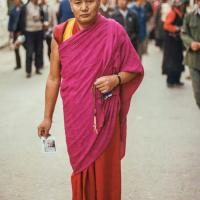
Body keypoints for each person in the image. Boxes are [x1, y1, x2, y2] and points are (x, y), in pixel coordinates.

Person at [37, 0, 144, 198]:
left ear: (99, 2)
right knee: (80, 166)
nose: (84, 8)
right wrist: (47, 117)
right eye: (78, 3)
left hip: (105, 116)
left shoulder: (114, 31)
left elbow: (134, 69)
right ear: (70, 4)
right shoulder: (62, 33)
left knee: (105, 173)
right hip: (75, 116)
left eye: (90, 2)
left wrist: (116, 79)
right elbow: (53, 78)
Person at [17, 0, 44, 78]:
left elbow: (42, 17)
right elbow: (21, 20)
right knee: (29, 52)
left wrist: (41, 20)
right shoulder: (25, 7)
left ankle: (37, 68)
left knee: (39, 51)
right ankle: (28, 71)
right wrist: (20, 31)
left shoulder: (39, 6)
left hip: (39, 31)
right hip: (29, 32)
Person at [162, 0, 186, 87]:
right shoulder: (172, 13)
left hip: (177, 41)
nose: (182, 6)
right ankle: (170, 80)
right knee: (171, 61)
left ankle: (176, 80)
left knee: (178, 60)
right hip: (171, 42)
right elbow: (166, 25)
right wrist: (177, 28)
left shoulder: (179, 13)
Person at [181, 0, 200, 108]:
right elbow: (183, 33)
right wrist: (191, 42)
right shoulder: (189, 16)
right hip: (194, 60)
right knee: (198, 92)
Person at [8, 0, 23, 70]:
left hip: (23, 32)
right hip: (15, 32)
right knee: (16, 49)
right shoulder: (12, 11)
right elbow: (10, 22)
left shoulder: (23, 8)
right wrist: (10, 31)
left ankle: (34, 62)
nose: (15, 1)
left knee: (29, 48)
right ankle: (18, 64)